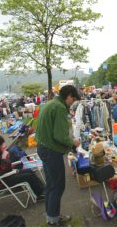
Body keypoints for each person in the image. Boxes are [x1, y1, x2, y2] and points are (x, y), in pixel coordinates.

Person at [36, 85, 81, 226]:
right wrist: (73, 142)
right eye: (73, 100)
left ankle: (51, 216)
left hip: (44, 147)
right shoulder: (60, 108)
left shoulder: (50, 103)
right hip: (51, 151)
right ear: (68, 95)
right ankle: (54, 221)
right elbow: (60, 136)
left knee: (50, 185)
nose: (72, 103)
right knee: (57, 186)